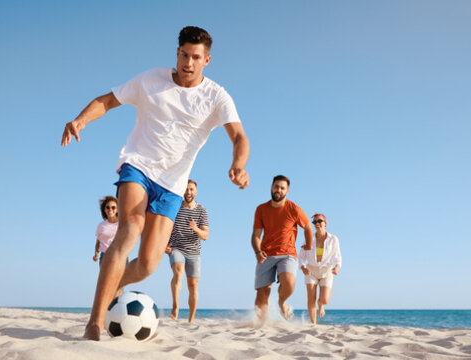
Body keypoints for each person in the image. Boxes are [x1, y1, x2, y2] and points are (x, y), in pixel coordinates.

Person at [61, 26, 250, 340]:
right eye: (184, 55)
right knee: (130, 228)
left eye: (196, 57)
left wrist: (238, 165)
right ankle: (95, 322)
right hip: (138, 166)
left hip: (172, 185)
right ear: (177, 53)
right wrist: (80, 119)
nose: (188, 63)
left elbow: (239, 136)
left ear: (207, 60)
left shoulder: (217, 96)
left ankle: (116, 280)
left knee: (148, 264)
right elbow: (107, 101)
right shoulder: (151, 80)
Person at [252, 175, 313, 324]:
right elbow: (255, 236)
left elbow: (307, 227)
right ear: (271, 187)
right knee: (262, 293)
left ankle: (282, 302)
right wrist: (258, 252)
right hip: (266, 254)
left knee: (289, 283)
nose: (278, 190)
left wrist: (309, 245)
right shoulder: (261, 209)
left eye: (282, 188)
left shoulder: (294, 209)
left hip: (287, 253)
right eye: (276, 187)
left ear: (287, 191)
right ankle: (261, 325)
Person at [164, 179, 208, 323]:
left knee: (193, 285)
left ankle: (191, 318)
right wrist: (165, 245)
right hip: (177, 248)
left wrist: (195, 229)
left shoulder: (201, 210)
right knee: (178, 272)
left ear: (196, 192)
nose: (188, 192)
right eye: (186, 189)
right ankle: (175, 307)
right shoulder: (175, 207)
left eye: (191, 189)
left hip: (194, 252)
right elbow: (166, 227)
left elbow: (205, 235)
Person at [298, 213, 342, 325]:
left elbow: (338, 256)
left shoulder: (333, 239)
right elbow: (301, 256)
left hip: (326, 271)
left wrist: (337, 267)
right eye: (314, 222)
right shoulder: (309, 239)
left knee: (325, 299)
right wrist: (303, 267)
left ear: (325, 223)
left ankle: (321, 304)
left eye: (320, 221)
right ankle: (313, 324)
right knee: (311, 299)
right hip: (311, 271)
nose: (317, 223)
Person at [93, 196, 119, 265]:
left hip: (120, 255)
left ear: (117, 210)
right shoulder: (101, 225)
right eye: (108, 207)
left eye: (113, 207)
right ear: (104, 210)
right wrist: (96, 254)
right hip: (105, 256)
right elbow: (98, 242)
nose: (110, 209)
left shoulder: (122, 224)